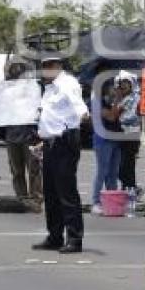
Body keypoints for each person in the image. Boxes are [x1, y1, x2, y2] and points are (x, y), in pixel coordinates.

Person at [32, 55, 89, 254]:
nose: (47, 68)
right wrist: (42, 139)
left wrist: (83, 113)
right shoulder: (49, 88)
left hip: (65, 142)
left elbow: (77, 102)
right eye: (44, 65)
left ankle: (74, 238)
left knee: (66, 192)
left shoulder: (67, 83)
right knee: (51, 193)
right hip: (50, 143)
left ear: (59, 65)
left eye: (51, 65)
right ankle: (54, 236)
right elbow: (50, 117)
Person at [5, 61, 42, 208]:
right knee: (16, 170)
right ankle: (21, 197)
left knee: (33, 168)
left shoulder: (34, 90)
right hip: (12, 135)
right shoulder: (6, 92)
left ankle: (36, 198)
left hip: (29, 134)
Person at [90, 70, 123, 215]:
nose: (113, 87)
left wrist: (118, 100)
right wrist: (117, 101)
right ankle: (96, 202)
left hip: (116, 138)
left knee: (113, 173)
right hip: (102, 140)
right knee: (102, 171)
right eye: (111, 85)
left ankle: (111, 200)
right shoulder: (96, 99)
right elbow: (111, 117)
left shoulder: (109, 99)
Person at [115, 71, 141, 192]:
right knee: (123, 165)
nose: (124, 85)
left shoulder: (135, 97)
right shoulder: (121, 97)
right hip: (121, 134)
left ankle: (131, 188)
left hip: (131, 135)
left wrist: (119, 115)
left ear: (132, 84)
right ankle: (129, 188)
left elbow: (132, 117)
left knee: (127, 165)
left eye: (126, 82)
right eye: (122, 83)